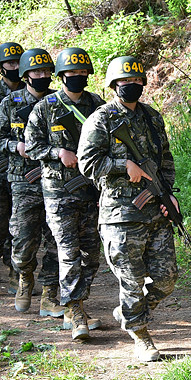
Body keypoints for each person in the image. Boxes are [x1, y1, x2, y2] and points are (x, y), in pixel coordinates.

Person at [78, 56, 178, 362]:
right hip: (120, 214)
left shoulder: (152, 117)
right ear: (113, 85)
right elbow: (87, 162)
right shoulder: (101, 118)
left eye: (136, 81)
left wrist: (169, 195)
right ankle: (141, 335)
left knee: (167, 277)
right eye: (124, 82)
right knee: (132, 279)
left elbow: (166, 160)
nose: (131, 85)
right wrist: (123, 166)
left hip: (154, 209)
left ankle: (130, 311)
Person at [26, 48, 105, 340]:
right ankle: (74, 311)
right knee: (68, 251)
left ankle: (78, 301)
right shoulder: (46, 107)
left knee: (91, 254)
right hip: (58, 191)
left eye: (83, 73)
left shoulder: (96, 104)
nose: (78, 77)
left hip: (90, 189)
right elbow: (32, 147)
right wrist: (57, 151)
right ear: (61, 76)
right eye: (72, 73)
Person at [0, 48, 61, 316]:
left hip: (56, 179)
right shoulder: (9, 103)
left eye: (47, 71)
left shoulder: (59, 101)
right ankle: (24, 276)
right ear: (26, 75)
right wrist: (15, 146)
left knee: (56, 238)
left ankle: (50, 293)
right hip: (22, 178)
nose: (43, 76)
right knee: (23, 240)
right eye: (37, 72)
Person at [0, 42, 24, 291]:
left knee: (17, 221)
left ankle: (15, 271)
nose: (15, 68)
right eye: (10, 64)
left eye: (19, 63)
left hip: (22, 171)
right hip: (2, 165)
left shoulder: (34, 94)